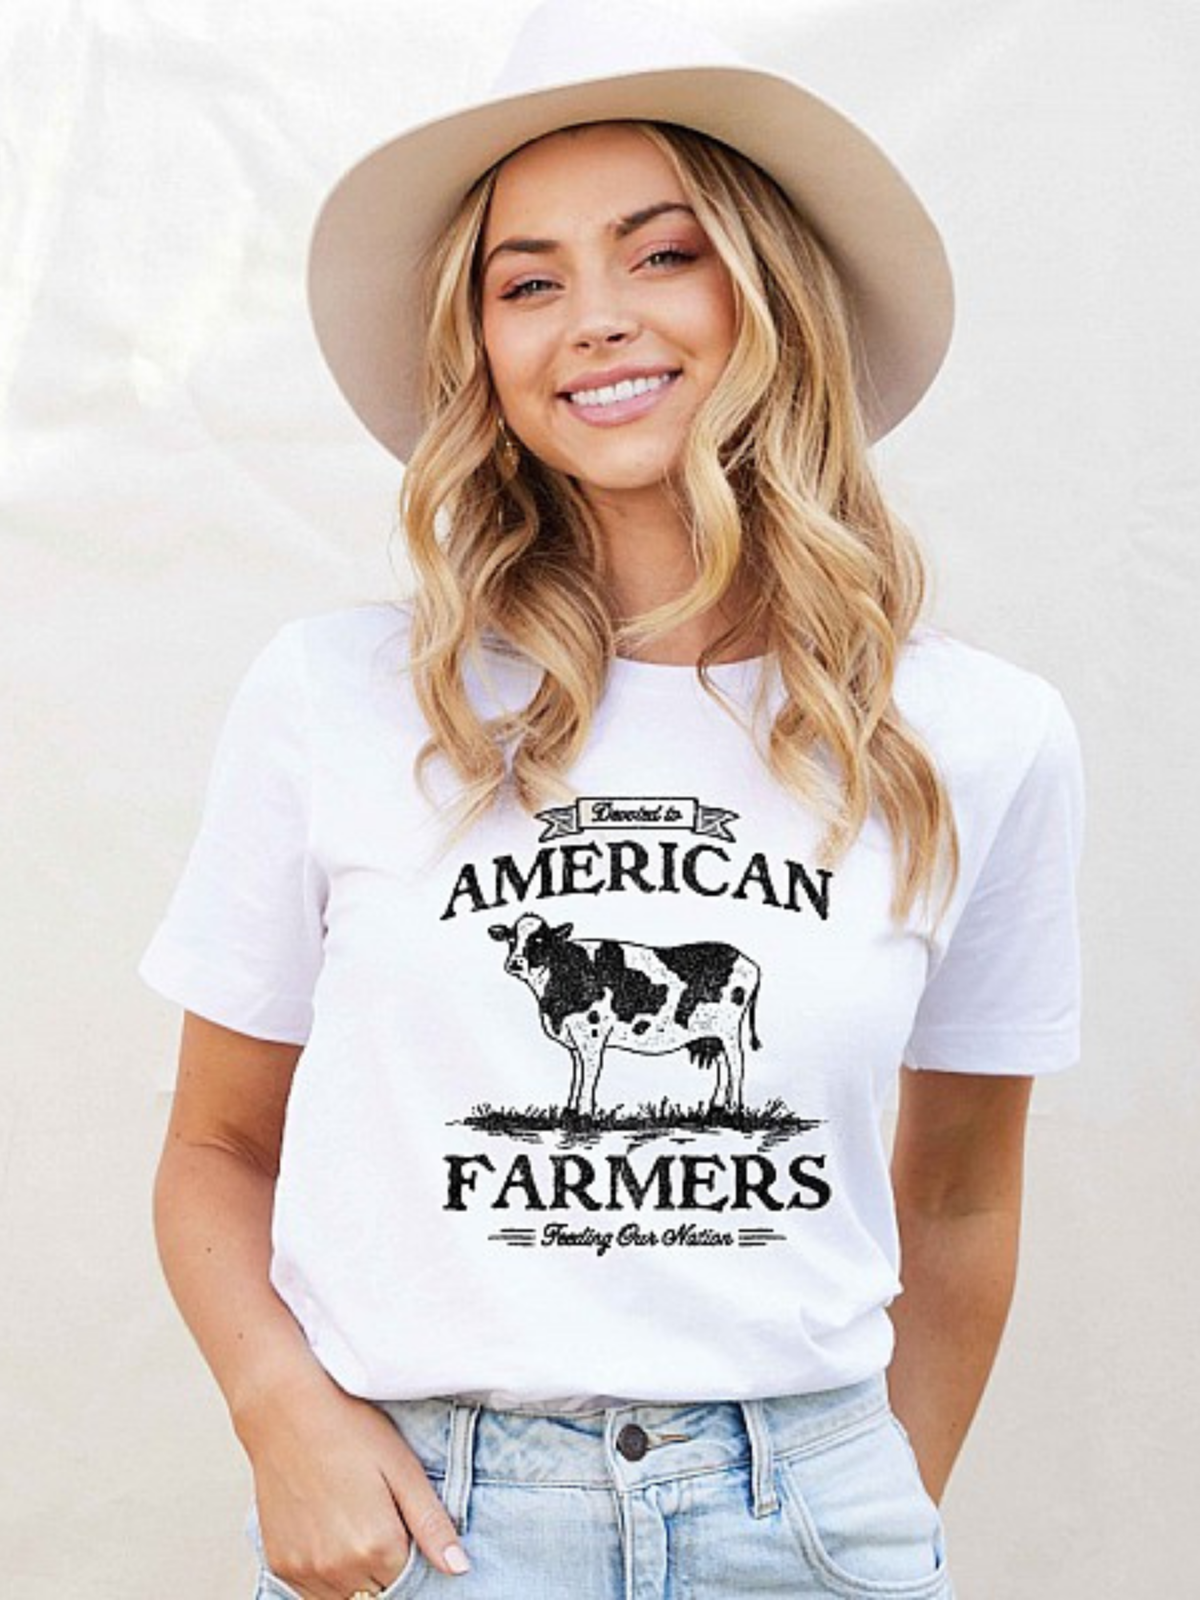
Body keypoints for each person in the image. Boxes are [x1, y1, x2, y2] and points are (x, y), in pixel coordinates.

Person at [141, 2, 1084, 1597]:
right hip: (435, 1525)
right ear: (484, 349)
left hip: (803, 1517)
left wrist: (875, 1517)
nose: (593, 319)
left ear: (768, 293)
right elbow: (219, 1146)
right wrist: (280, 1411)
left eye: (662, 254)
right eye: (530, 282)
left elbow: (961, 1188)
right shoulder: (343, 700)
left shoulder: (974, 735)